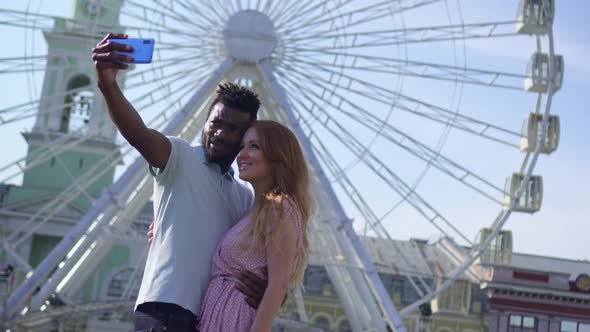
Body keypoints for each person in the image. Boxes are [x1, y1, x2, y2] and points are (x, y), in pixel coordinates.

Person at [92, 33, 266, 332]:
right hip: (164, 307)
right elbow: (139, 134)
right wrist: (108, 85)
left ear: (246, 138)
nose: (221, 133)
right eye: (216, 123)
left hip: (211, 317)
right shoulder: (179, 156)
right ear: (205, 122)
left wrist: (268, 291)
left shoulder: (244, 198)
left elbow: (257, 258)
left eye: (234, 129)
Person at [198, 120, 313, 331]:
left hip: (236, 318)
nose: (242, 154)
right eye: (242, 146)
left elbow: (278, 285)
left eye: (254, 146)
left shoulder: (280, 209)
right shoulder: (253, 212)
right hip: (218, 316)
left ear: (278, 156)